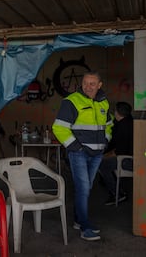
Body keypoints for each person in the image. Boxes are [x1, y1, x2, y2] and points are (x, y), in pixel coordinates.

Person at [52, 72, 113, 241]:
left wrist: (105, 141)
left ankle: (78, 220)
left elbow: (108, 124)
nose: (88, 86)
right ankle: (85, 227)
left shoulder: (103, 102)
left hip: (97, 154)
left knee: (85, 189)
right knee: (84, 189)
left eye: (92, 83)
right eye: (85, 83)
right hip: (79, 153)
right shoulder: (71, 101)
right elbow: (59, 127)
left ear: (99, 85)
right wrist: (76, 148)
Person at [98, 101, 133, 205]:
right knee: (103, 160)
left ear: (117, 112)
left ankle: (118, 194)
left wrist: (104, 156)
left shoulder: (124, 127)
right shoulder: (127, 121)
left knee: (102, 165)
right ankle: (111, 184)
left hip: (129, 160)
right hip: (128, 157)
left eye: (115, 110)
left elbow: (119, 152)